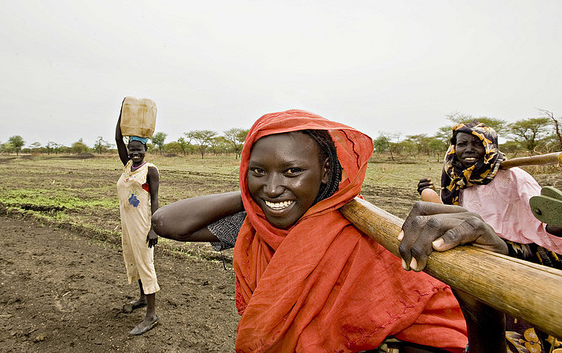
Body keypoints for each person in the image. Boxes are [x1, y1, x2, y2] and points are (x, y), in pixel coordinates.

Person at [152, 109, 507, 352]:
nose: (273, 188)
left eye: (292, 171)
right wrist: (253, 191)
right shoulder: (255, 226)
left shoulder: (366, 240)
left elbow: (437, 334)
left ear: (325, 171)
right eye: (258, 169)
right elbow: (168, 223)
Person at [415, 121, 562, 352]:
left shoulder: (514, 177)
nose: (468, 149)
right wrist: (426, 191)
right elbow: (448, 212)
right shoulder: (457, 178)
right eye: (462, 144)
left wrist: (554, 228)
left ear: (490, 146)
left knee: (529, 329)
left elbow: (540, 221)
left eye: (477, 143)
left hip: (519, 256)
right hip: (477, 255)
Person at [115, 105, 160, 336]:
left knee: (145, 263)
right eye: (132, 149)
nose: (134, 153)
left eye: (139, 149)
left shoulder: (149, 170)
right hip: (127, 223)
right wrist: (122, 113)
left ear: (146, 149)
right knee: (133, 257)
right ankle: (142, 298)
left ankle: (151, 315)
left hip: (143, 224)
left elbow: (155, 200)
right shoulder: (127, 165)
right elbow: (117, 139)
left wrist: (154, 228)